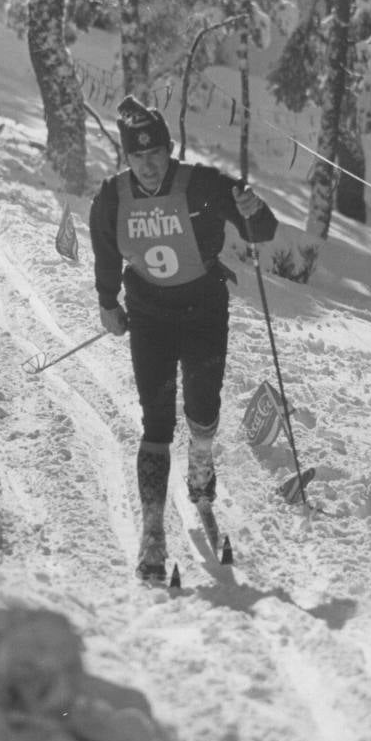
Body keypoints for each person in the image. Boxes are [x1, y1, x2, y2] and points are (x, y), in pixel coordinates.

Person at [89, 95, 278, 582]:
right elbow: (105, 252)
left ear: (169, 150)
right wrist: (108, 303)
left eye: (155, 155)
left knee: (202, 408)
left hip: (203, 310)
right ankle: (152, 531)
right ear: (126, 158)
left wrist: (254, 211)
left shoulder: (204, 185)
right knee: (156, 420)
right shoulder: (112, 196)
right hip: (149, 314)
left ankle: (201, 467)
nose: (148, 166)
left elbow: (263, 230)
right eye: (137, 157)